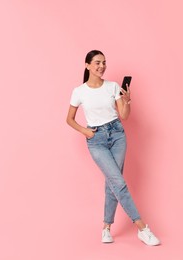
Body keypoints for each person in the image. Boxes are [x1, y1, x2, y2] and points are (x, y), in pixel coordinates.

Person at [66, 50, 160, 246]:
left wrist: (127, 101)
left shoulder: (113, 86)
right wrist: (85, 131)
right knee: (118, 182)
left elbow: (124, 115)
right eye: (98, 63)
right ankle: (143, 228)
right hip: (96, 139)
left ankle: (106, 228)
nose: (102, 66)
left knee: (113, 183)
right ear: (87, 65)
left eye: (104, 63)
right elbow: (69, 119)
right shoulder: (79, 91)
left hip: (117, 135)